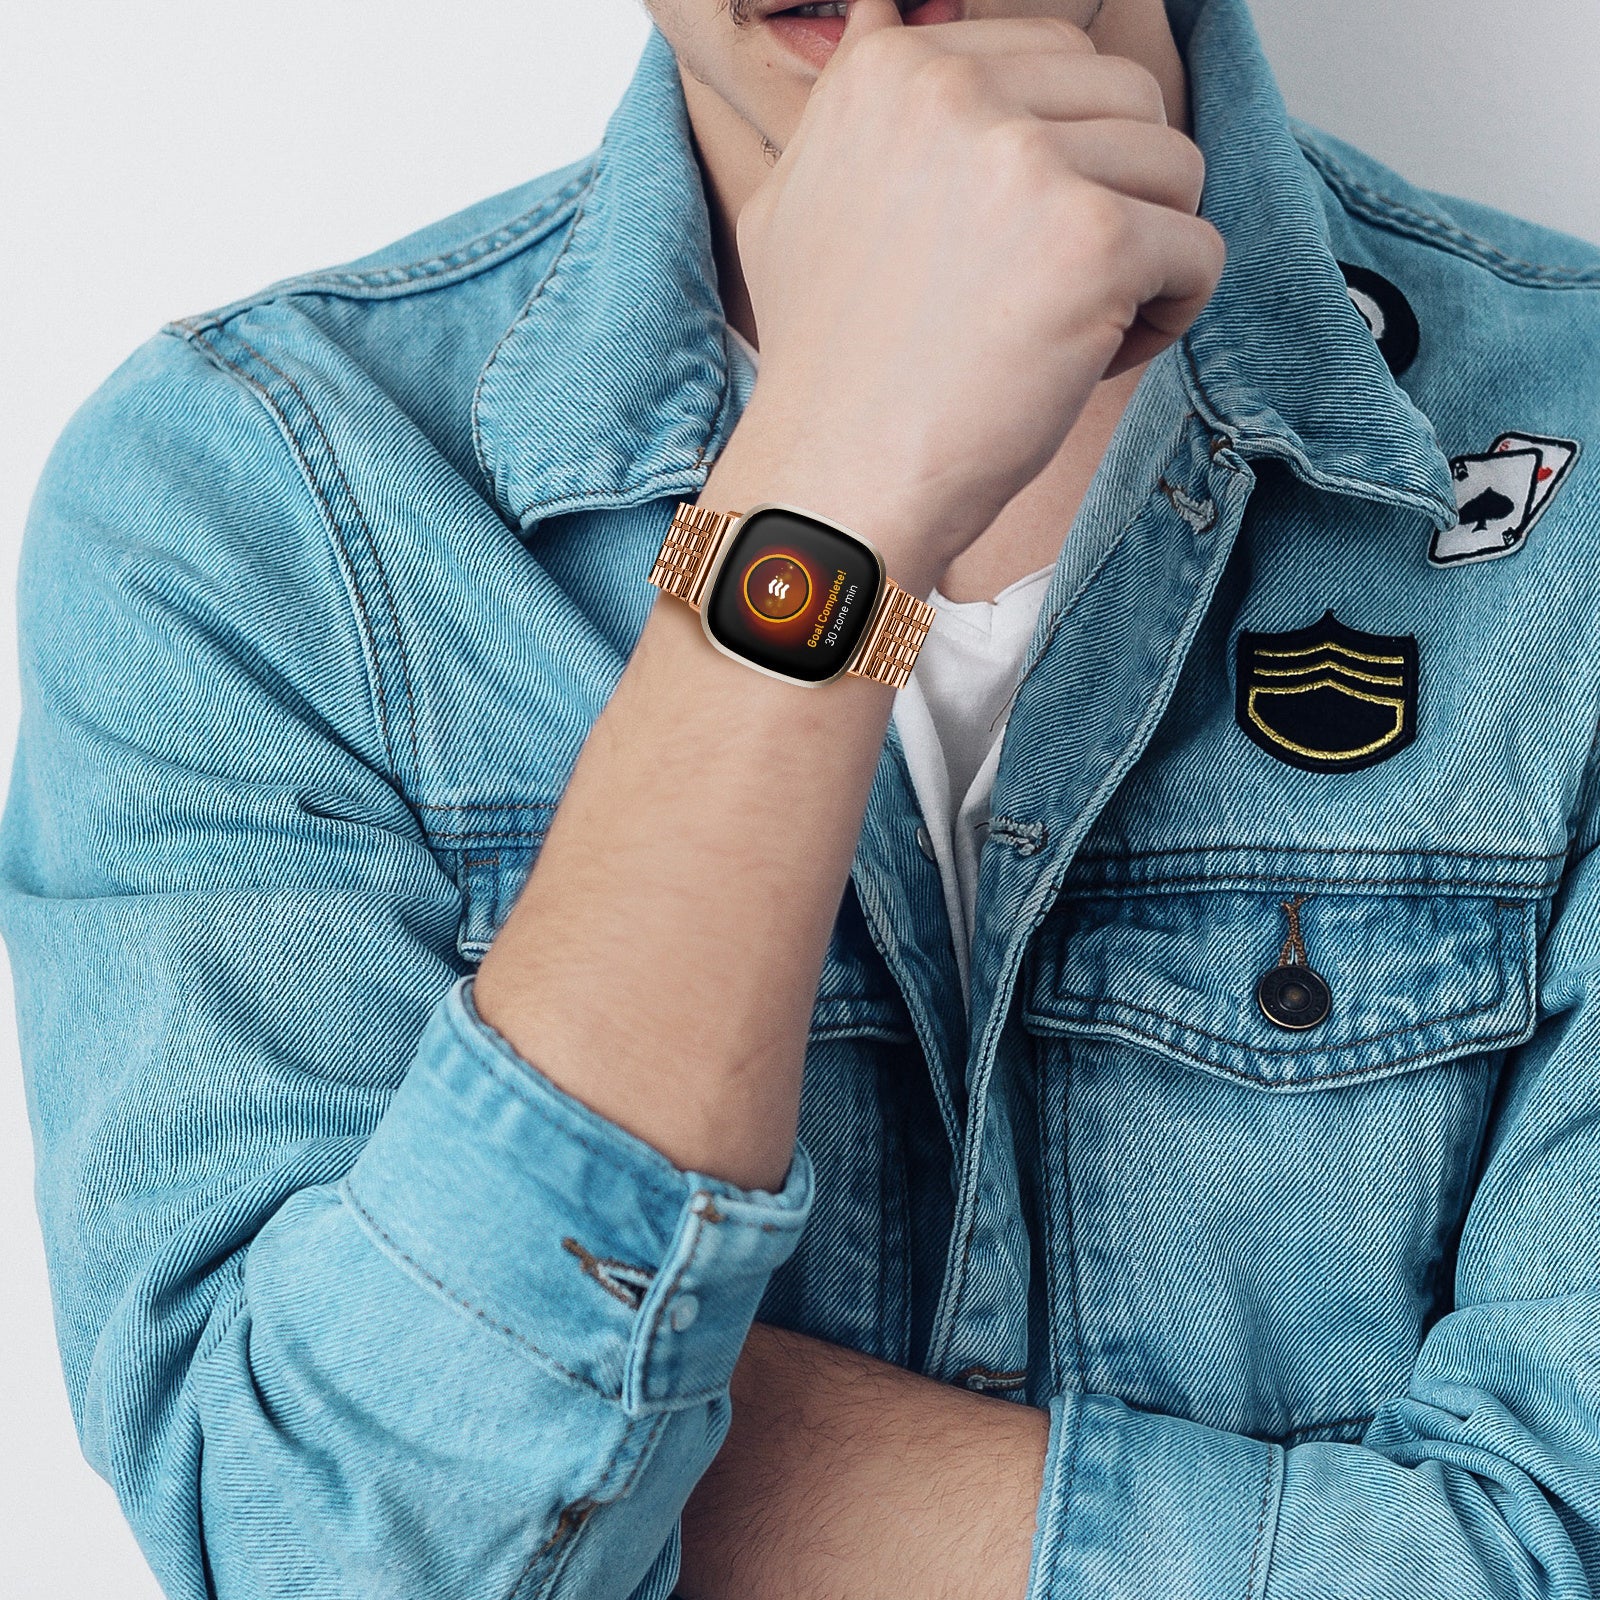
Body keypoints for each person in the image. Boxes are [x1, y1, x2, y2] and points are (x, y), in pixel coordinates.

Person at [4, 0, 1599, 1593]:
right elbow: (338, 1547)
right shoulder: (264, 502)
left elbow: (1557, 1554)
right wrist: (831, 483)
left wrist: (584, 1442)